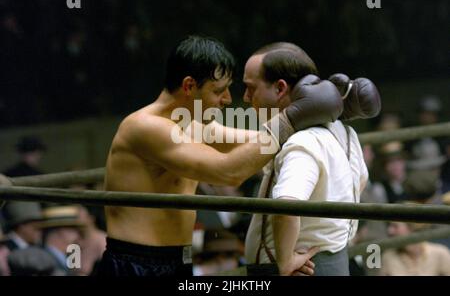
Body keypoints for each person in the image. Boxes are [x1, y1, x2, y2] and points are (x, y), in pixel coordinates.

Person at [97, 35, 344, 276]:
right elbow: (228, 172)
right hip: (135, 264)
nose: (227, 100)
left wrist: (327, 117)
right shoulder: (146, 127)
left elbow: (252, 141)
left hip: (177, 259)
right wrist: (291, 118)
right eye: (219, 91)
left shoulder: (192, 123)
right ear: (189, 86)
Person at [243, 42, 380, 276]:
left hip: (300, 269)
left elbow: (286, 205)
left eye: (251, 88)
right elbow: (360, 182)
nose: (246, 98)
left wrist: (285, 262)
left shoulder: (303, 142)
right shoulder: (345, 133)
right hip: (333, 260)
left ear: (280, 88)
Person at [379, 221, 450, 276]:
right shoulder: (388, 256)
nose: (390, 231)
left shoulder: (440, 253)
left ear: (412, 228)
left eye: (395, 226)